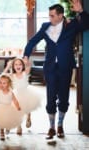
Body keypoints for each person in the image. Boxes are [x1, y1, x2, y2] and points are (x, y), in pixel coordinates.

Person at [23, 0, 89, 139]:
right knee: (50, 98)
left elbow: (86, 24)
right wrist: (26, 55)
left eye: (52, 16)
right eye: (49, 15)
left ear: (60, 16)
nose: (50, 18)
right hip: (50, 68)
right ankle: (51, 127)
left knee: (64, 98)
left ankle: (60, 125)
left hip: (65, 67)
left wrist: (81, 11)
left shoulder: (71, 25)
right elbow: (33, 41)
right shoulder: (45, 26)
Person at [4, 58, 41, 135]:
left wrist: (26, 62)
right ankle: (18, 126)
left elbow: (29, 65)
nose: (18, 66)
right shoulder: (12, 75)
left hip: (26, 94)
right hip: (16, 95)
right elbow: (2, 76)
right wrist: (8, 66)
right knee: (16, 111)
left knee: (27, 109)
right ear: (13, 67)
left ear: (23, 66)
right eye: (16, 64)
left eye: (20, 64)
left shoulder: (25, 73)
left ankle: (28, 117)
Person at [0, 73, 23, 141]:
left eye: (4, 83)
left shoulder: (11, 92)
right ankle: (1, 133)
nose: (2, 84)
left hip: (9, 108)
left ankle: (8, 128)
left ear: (8, 84)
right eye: (0, 82)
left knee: (8, 121)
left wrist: (18, 106)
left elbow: (15, 100)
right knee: (1, 122)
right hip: (1, 108)